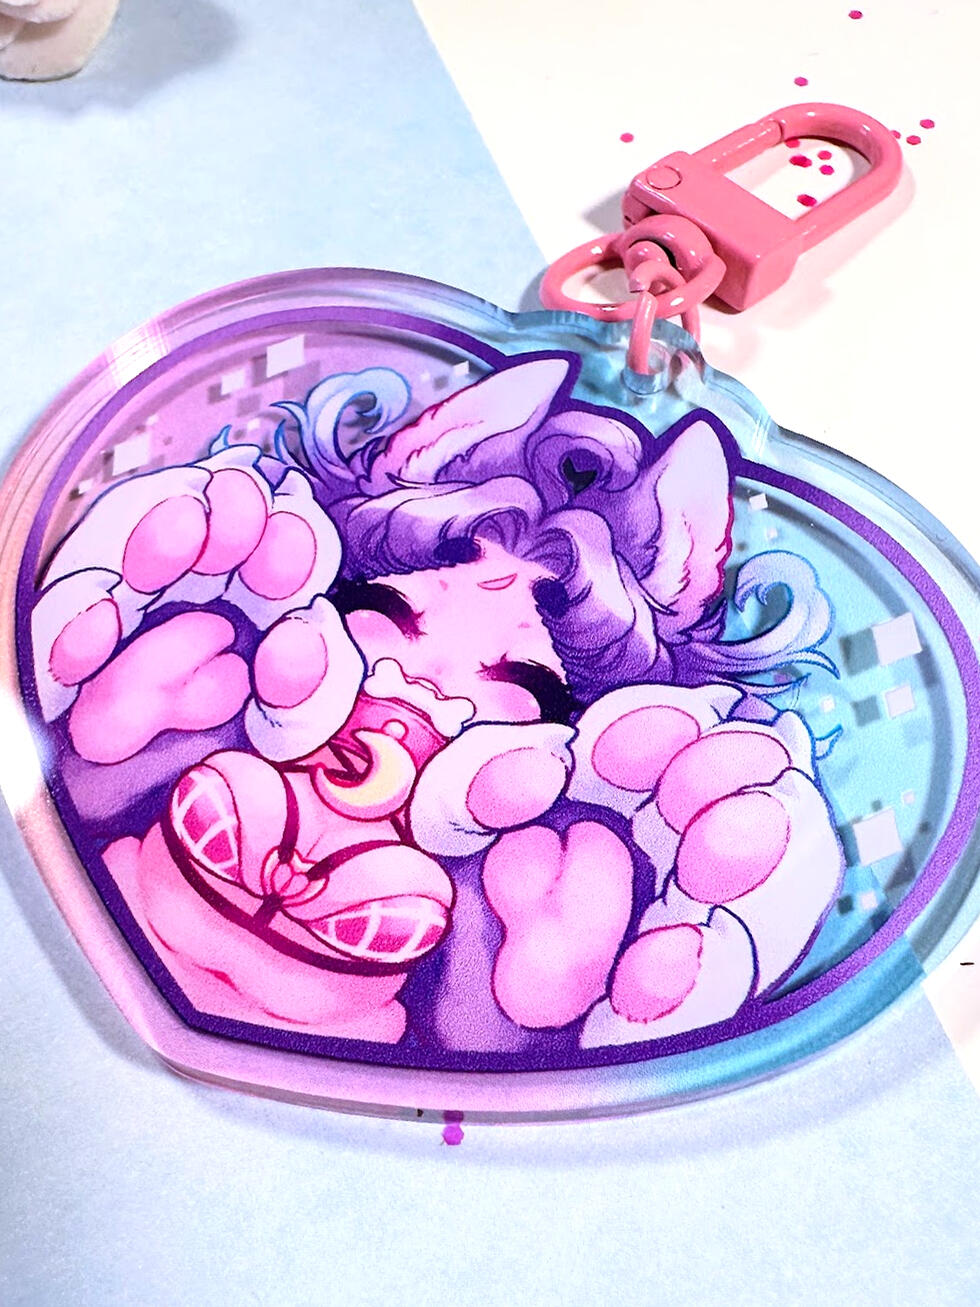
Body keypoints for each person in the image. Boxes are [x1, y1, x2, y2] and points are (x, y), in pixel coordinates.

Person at [32, 353, 844, 1060]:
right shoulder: (264, 690)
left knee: (506, 925)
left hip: (379, 989)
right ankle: (129, 692)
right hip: (144, 867)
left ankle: (567, 966)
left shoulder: (499, 833)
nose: (426, 687)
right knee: (199, 694)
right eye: (391, 620)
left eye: (509, 684)